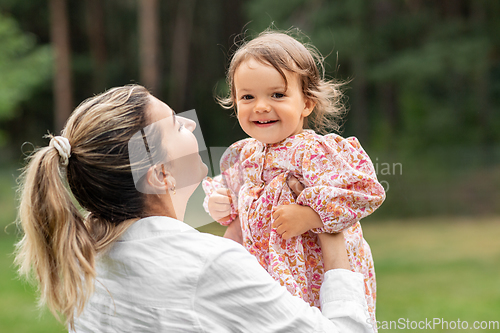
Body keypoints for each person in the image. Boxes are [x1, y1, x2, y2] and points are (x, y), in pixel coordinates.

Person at [14, 84, 374, 332]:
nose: (189, 122)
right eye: (174, 124)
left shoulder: (88, 260)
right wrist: (332, 229)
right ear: (160, 174)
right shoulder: (208, 265)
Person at [203, 30, 386, 330]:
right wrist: (218, 203)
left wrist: (311, 214)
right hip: (267, 275)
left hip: (315, 274)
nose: (260, 106)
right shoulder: (243, 154)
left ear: (307, 103)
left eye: (277, 95)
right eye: (247, 97)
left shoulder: (312, 151)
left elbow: (365, 190)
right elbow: (228, 192)